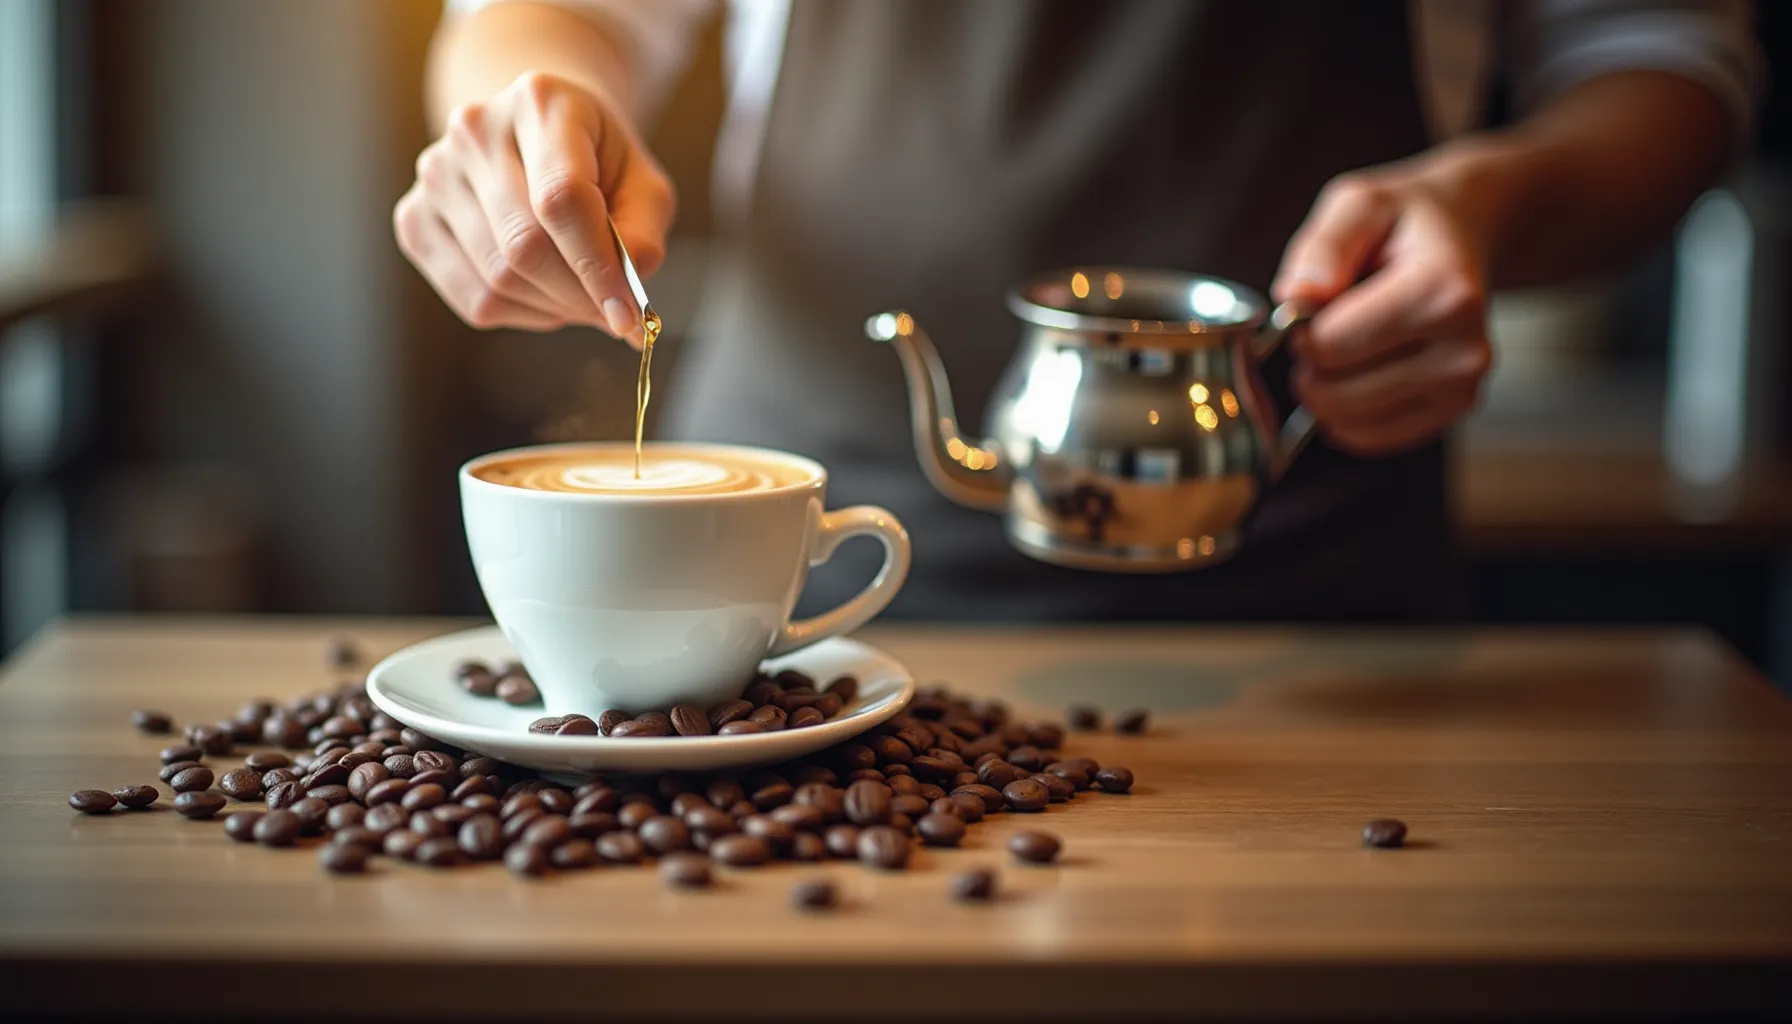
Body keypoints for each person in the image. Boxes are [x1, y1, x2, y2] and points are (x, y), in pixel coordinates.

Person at [396, 0, 1760, 622]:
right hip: (774, 579)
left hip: (1311, 600)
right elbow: (553, 16)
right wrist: (523, 120)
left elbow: (1664, 60)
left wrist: (1494, 204)